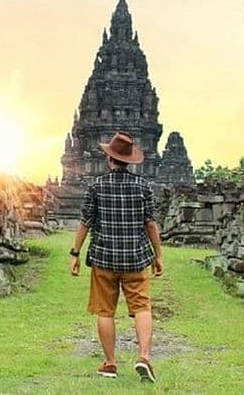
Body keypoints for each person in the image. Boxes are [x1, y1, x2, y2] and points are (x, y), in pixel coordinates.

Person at [69, 131, 163, 383]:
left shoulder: (96, 186)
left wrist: (75, 253)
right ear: (129, 160)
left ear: (110, 159)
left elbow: (85, 222)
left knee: (105, 311)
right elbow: (151, 224)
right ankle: (144, 357)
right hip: (136, 258)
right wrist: (158, 256)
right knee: (142, 307)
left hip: (103, 259)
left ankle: (110, 363)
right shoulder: (143, 186)